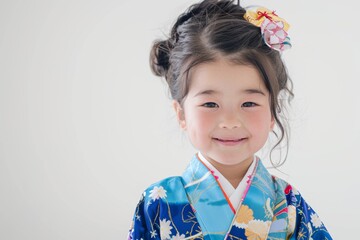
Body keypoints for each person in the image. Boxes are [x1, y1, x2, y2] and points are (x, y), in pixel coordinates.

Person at [128, 0, 332, 239]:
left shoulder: (288, 205)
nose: (230, 121)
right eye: (210, 104)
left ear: (272, 112)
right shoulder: (158, 202)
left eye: (248, 104)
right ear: (181, 113)